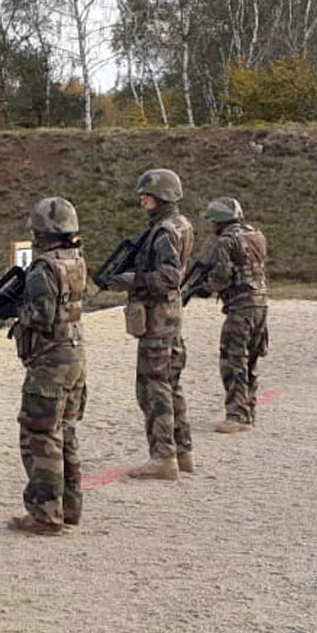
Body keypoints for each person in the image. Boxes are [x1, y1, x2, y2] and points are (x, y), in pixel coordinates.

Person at [105, 168, 195, 479]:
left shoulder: (164, 232)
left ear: (162, 196)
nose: (142, 199)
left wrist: (133, 280)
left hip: (157, 320)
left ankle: (163, 457)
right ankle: (183, 451)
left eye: (147, 194)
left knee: (153, 389)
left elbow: (169, 278)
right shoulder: (180, 225)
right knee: (172, 385)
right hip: (170, 319)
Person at [6, 197, 86, 536]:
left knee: (41, 436)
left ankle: (45, 514)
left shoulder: (43, 267)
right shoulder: (75, 259)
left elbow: (39, 316)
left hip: (50, 360)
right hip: (74, 354)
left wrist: (13, 311)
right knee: (65, 432)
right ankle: (69, 507)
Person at [193, 198, 268, 431]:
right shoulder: (256, 234)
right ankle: (249, 409)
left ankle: (237, 415)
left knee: (233, 359)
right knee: (251, 359)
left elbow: (221, 277)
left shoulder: (226, 241)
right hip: (260, 303)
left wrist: (203, 289)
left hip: (240, 306)